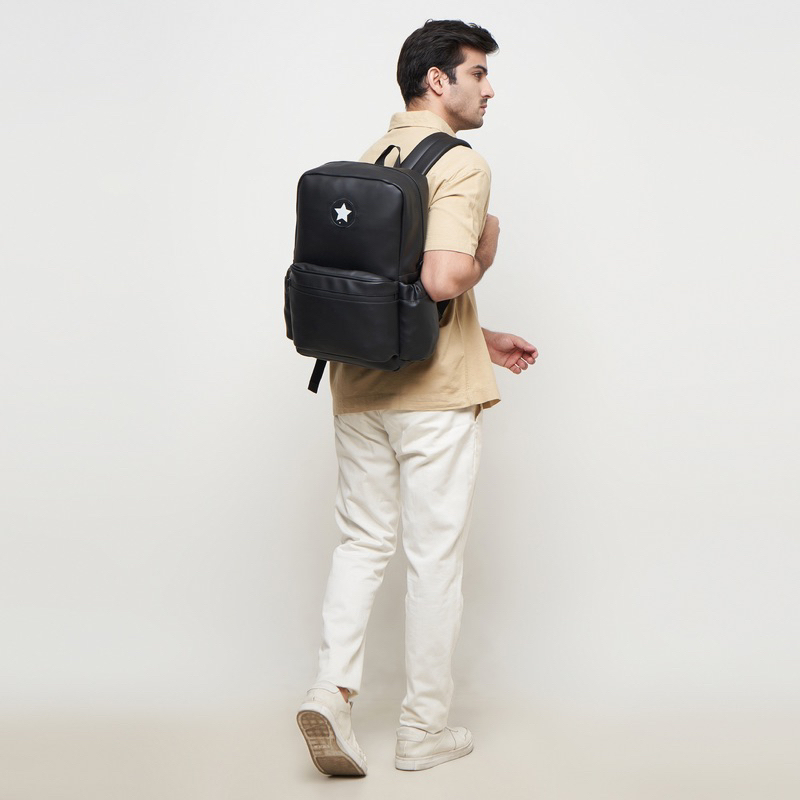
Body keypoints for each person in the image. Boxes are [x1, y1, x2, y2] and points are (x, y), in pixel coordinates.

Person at [296, 19, 538, 776]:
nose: (489, 89)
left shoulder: (373, 158)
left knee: (361, 544)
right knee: (433, 560)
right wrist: (485, 252)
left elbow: (389, 287)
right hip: (431, 398)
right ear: (439, 80)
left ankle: (331, 693)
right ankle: (423, 730)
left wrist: (479, 335)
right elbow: (438, 279)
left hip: (357, 384)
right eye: (478, 73)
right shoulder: (460, 164)